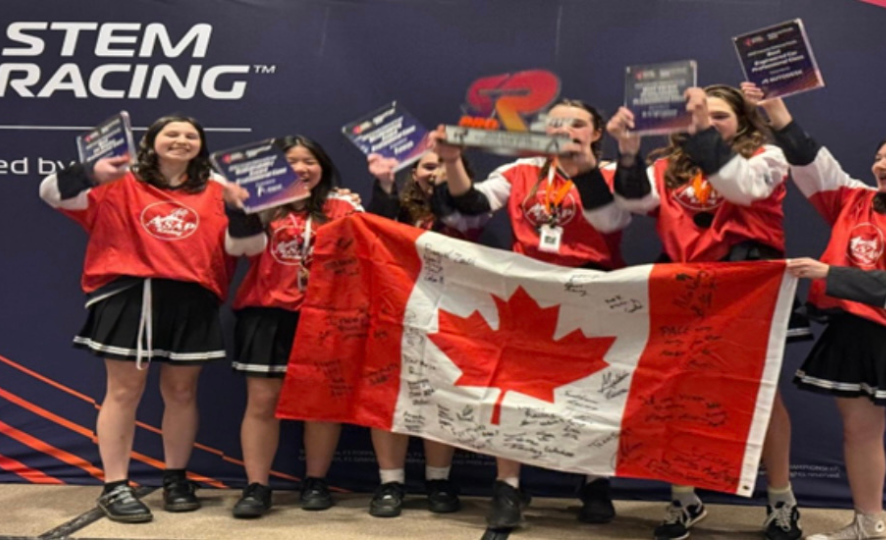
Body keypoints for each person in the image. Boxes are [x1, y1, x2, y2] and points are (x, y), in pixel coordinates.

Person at [751, 83, 886, 540]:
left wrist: (828, 272)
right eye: (879, 156)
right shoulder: (856, 198)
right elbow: (811, 163)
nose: (880, 164)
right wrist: (776, 111)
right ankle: (867, 526)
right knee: (859, 435)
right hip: (855, 331)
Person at [604, 84, 808, 540]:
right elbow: (635, 204)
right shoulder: (667, 167)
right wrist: (629, 149)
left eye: (720, 116)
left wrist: (701, 133)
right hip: (684, 283)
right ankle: (684, 497)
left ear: (742, 120)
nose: (711, 122)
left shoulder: (768, 157)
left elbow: (741, 186)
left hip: (746, 284)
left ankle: (781, 500)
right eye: (702, 115)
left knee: (761, 395)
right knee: (676, 391)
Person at [429, 98, 632, 529]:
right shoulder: (520, 170)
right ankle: (508, 486)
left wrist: (584, 167)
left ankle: (595, 481)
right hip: (529, 291)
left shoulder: (615, 174)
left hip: (591, 289)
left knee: (592, 390)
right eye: (556, 123)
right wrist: (451, 162)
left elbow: (612, 222)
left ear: (596, 132)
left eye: (577, 124)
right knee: (514, 390)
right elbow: (472, 205)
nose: (565, 130)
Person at [39, 114, 249, 523]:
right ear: (151, 143)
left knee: (183, 393)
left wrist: (243, 211)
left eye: (191, 135)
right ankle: (115, 486)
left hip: (192, 297)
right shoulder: (116, 181)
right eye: (171, 133)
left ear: (200, 148)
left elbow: (245, 247)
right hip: (130, 294)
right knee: (124, 390)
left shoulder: (219, 189)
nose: (182, 140)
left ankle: (175, 478)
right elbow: (49, 192)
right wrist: (89, 172)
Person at [226, 136, 362, 518]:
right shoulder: (260, 207)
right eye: (291, 162)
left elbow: (367, 246)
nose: (301, 169)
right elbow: (240, 249)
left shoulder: (344, 204)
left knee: (319, 405)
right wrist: (243, 211)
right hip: (267, 314)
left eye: (309, 161)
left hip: (324, 316)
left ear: (323, 166)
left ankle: (315, 481)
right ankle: (257, 486)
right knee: (262, 403)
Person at [359, 150, 483, 517]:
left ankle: (438, 480)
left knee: (441, 395)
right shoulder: (398, 209)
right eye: (430, 166)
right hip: (395, 313)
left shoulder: (472, 208)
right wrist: (384, 184)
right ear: (414, 173)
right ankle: (390, 482)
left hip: (452, 316)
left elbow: (464, 225)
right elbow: (375, 228)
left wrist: (447, 188)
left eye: (445, 166)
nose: (437, 172)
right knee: (389, 396)